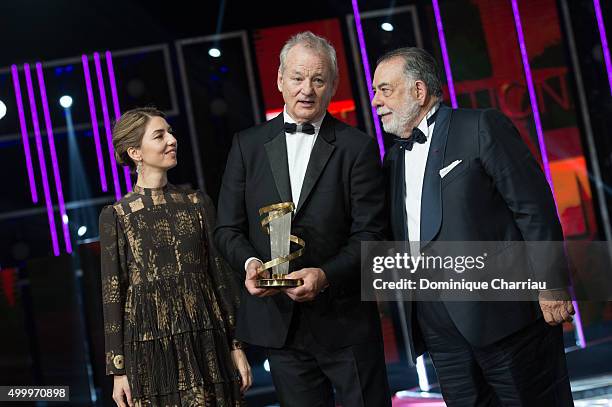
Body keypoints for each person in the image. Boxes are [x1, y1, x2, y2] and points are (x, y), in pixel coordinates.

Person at [372, 47, 575, 406]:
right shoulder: (393, 158)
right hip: (440, 334)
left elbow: (534, 209)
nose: (375, 101)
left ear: (419, 91)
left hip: (507, 319)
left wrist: (552, 286)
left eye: (384, 89)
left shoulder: (481, 126)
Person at [214, 32, 391, 406]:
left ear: (333, 86)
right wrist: (250, 264)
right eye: (297, 77)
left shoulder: (356, 147)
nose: (306, 89)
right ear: (280, 80)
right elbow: (227, 228)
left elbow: (371, 233)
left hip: (346, 321)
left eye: (318, 79)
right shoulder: (247, 146)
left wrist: (325, 275)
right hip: (280, 327)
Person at [99, 107, 251, 407]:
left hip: (207, 339)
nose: (172, 140)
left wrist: (237, 345)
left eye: (170, 132)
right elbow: (112, 296)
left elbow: (220, 278)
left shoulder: (197, 203)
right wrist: (118, 372)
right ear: (135, 152)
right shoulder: (116, 216)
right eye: (160, 135)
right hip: (149, 350)